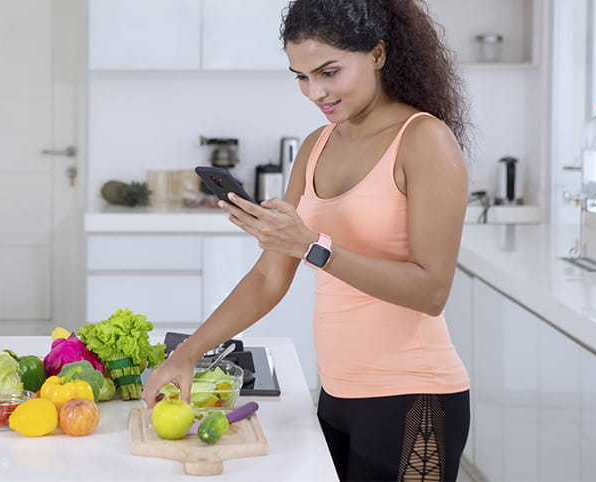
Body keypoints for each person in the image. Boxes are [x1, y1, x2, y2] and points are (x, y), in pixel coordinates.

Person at [142, 0, 472, 480]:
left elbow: (431, 290)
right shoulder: (317, 145)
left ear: (377, 54)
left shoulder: (424, 140)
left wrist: (313, 245)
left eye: (329, 72)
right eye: (300, 76)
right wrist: (186, 354)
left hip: (413, 394)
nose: (315, 91)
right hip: (336, 394)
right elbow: (268, 277)